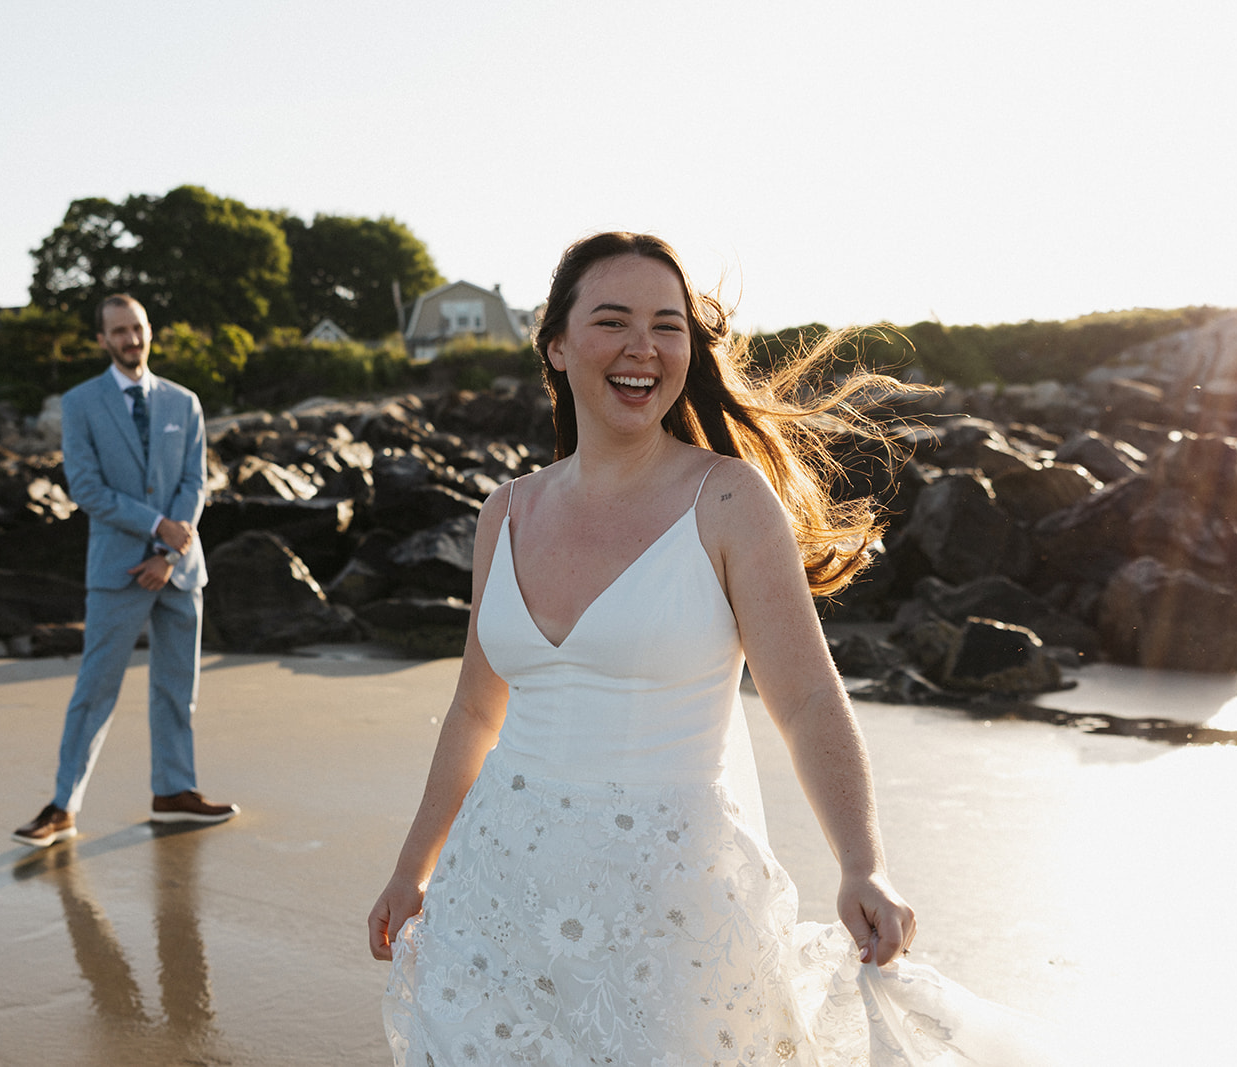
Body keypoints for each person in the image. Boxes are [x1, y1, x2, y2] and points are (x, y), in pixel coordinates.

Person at [369, 234, 1060, 1064]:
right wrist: (415, 869)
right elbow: (478, 709)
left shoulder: (728, 501)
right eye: (613, 320)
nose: (644, 347)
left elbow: (806, 700)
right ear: (555, 345)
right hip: (499, 893)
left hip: (669, 910)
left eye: (669, 325)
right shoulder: (505, 511)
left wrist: (862, 862)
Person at [12, 294, 237, 848]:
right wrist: (159, 527)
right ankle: (62, 806)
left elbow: (194, 482)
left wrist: (170, 552)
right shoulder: (80, 403)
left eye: (137, 329)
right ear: (103, 340)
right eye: (119, 331)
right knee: (95, 690)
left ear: (149, 331)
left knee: (176, 689)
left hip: (179, 570)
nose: (130, 339)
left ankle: (174, 793)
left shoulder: (184, 403)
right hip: (117, 571)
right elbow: (86, 489)